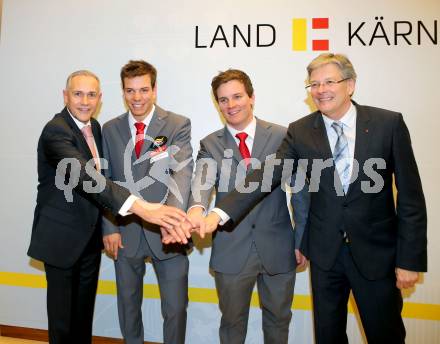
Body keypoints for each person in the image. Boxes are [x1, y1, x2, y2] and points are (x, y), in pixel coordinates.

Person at [191, 54, 427, 343]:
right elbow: (266, 176)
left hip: (376, 255)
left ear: (350, 85)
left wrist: (409, 259)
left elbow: (411, 197)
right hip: (326, 258)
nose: (321, 89)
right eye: (313, 84)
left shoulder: (387, 124)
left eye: (329, 81)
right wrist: (218, 214)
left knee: (385, 335)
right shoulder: (302, 131)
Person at [27, 70, 187, 344]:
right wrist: (141, 208)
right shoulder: (56, 130)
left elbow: (178, 172)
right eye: (78, 94)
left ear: (100, 98)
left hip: (89, 241)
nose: (85, 101)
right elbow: (88, 177)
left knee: (82, 319)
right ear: (66, 96)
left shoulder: (95, 128)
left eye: (91, 95)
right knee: (63, 324)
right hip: (61, 240)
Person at [183, 69, 309, 343]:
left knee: (279, 321)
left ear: (252, 97)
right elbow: (202, 184)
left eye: (237, 96)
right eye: (223, 100)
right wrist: (196, 209)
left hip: (279, 247)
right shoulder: (210, 144)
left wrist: (302, 240)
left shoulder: (283, 136)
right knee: (232, 324)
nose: (231, 105)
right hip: (231, 249)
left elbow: (300, 193)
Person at [101, 60, 193, 344]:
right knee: (128, 308)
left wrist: (172, 221)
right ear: (123, 91)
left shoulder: (177, 124)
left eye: (143, 90)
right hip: (125, 230)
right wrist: (109, 227)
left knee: (175, 309)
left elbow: (183, 174)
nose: (137, 97)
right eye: (130, 91)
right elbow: (104, 180)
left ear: (154, 90)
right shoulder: (110, 128)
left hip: (168, 231)